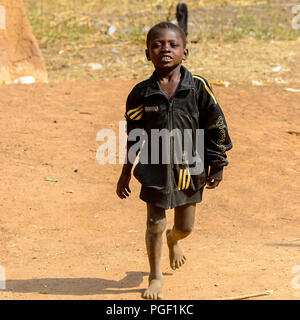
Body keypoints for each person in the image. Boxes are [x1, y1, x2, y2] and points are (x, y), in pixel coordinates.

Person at [116, 21, 232, 300]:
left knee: (186, 227)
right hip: (154, 165)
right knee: (154, 222)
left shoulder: (198, 87)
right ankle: (155, 276)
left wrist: (217, 163)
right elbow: (133, 134)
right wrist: (125, 171)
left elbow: (215, 123)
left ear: (185, 51)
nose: (164, 49)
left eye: (172, 45)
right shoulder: (141, 93)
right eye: (157, 45)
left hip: (189, 166)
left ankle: (173, 239)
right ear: (147, 54)